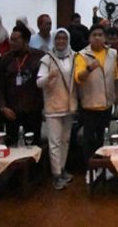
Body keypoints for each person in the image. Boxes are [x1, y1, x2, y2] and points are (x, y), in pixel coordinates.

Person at [74, 24, 118, 177]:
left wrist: (116, 95)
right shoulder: (82, 55)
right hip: (89, 105)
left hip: (107, 105)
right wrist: (89, 69)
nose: (98, 37)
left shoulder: (112, 53)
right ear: (89, 38)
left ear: (105, 37)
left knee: (103, 139)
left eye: (100, 35)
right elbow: (78, 78)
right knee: (89, 140)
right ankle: (90, 170)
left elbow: (115, 75)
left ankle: (103, 168)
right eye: (94, 35)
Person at [37, 29, 77, 190]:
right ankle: (56, 175)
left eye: (64, 38)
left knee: (65, 140)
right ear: (54, 40)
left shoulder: (74, 56)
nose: (61, 41)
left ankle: (62, 168)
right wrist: (49, 76)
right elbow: (38, 83)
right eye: (58, 38)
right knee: (54, 142)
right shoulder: (47, 59)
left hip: (69, 105)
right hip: (53, 106)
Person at [0, 24, 44, 146]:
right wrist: (3, 107)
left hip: (33, 112)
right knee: (12, 146)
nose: (12, 43)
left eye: (16, 40)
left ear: (26, 40)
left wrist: (42, 106)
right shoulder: (5, 59)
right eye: (11, 39)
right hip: (11, 112)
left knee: (33, 146)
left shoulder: (39, 57)